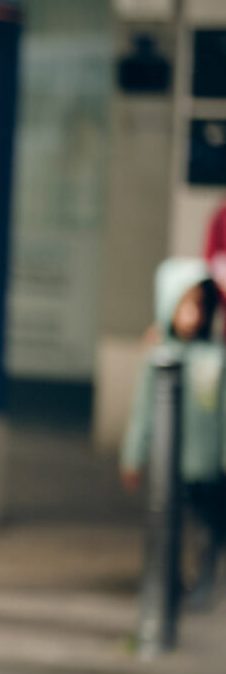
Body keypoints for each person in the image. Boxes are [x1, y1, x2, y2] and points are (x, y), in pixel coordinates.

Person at [120, 257, 226, 611]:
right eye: (185, 304)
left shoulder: (215, 359)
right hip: (170, 464)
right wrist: (133, 455)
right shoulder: (158, 356)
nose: (193, 315)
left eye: (200, 304)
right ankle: (168, 584)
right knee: (167, 528)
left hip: (208, 465)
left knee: (208, 528)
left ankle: (205, 582)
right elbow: (143, 412)